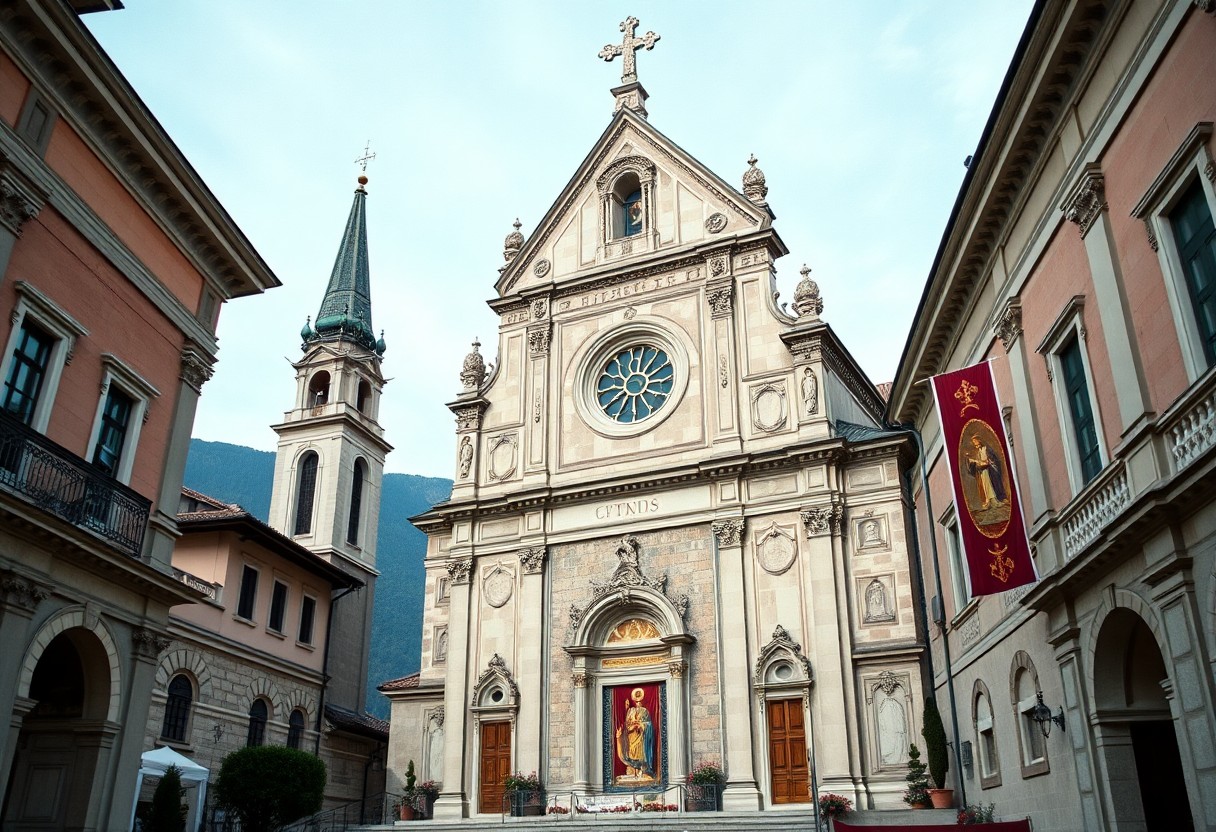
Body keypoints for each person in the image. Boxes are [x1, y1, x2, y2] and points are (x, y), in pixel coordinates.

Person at [615, 687, 655, 779]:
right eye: (636, 701)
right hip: (631, 735)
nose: (638, 703)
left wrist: (641, 725)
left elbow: (649, 724)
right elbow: (627, 723)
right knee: (631, 754)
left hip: (640, 736)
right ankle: (633, 772)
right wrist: (631, 726)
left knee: (640, 754)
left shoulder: (644, 711)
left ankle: (641, 771)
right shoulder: (630, 710)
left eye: (639, 701)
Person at [966, 434, 1007, 510]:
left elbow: (991, 460)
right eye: (973, 442)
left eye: (975, 441)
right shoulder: (979, 451)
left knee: (990, 484)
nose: (974, 443)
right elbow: (980, 461)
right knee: (985, 486)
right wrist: (975, 462)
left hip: (989, 470)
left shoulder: (987, 449)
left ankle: (994, 501)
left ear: (980, 441)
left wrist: (982, 462)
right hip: (983, 471)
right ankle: (988, 501)